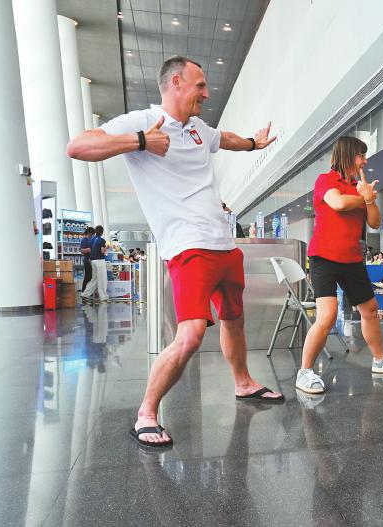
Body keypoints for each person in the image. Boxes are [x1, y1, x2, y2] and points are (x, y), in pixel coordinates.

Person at [67, 55, 283, 448]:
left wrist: (253, 144)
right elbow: (78, 146)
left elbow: (225, 138)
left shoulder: (199, 128)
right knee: (191, 334)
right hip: (188, 247)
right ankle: (146, 414)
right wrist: (140, 141)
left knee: (234, 319)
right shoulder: (143, 121)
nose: (207, 93)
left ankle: (243, 382)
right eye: (200, 85)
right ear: (176, 82)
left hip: (223, 243)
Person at [295, 136, 383, 396]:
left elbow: (375, 222)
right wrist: (364, 197)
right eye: (361, 156)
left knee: (370, 309)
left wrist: (369, 200)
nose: (365, 161)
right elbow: (339, 203)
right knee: (327, 315)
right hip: (324, 257)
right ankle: (305, 372)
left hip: (352, 258)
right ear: (347, 155)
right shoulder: (326, 180)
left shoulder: (359, 186)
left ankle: (379, 360)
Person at [81, 225, 109, 304]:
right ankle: (103, 297)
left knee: (94, 279)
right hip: (100, 261)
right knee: (102, 279)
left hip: (93, 261)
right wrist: (107, 247)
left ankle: (85, 294)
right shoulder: (102, 240)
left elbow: (90, 249)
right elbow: (102, 251)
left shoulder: (91, 240)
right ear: (102, 232)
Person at [80, 226, 95, 294]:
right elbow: (82, 250)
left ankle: (88, 292)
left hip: (92, 261)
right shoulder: (84, 240)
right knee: (87, 276)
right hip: (87, 261)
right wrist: (89, 249)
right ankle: (84, 291)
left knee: (91, 277)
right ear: (89, 233)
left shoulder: (91, 239)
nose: (93, 236)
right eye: (92, 234)